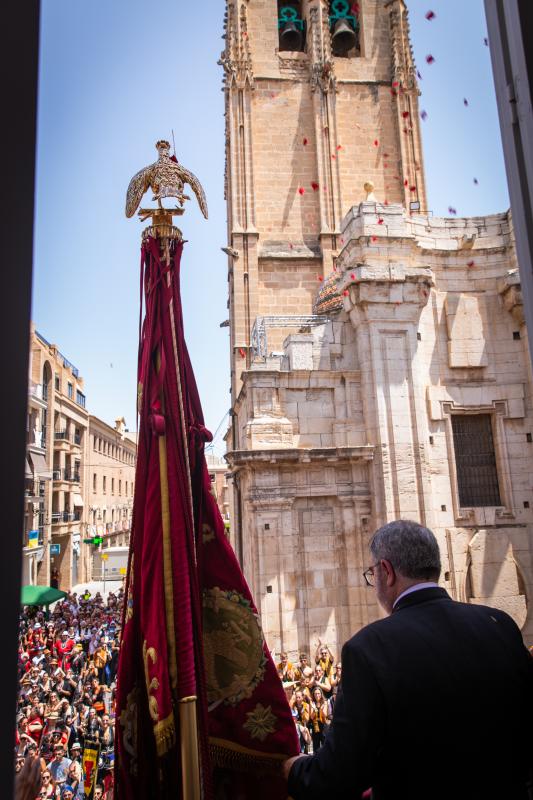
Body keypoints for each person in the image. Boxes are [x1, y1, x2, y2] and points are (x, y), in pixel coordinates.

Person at [284, 519, 533, 799]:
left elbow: (338, 776)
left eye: (372, 573)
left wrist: (294, 769)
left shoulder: (368, 649)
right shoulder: (500, 625)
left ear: (387, 572)